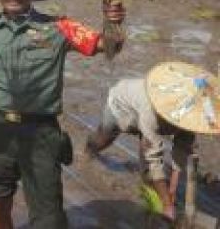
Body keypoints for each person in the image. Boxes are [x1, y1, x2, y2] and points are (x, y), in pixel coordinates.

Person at [0, 0, 125, 229]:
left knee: (49, 218)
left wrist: (113, 23)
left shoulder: (59, 27)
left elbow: (107, 46)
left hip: (41, 133)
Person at [85, 73, 199, 222]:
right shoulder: (152, 110)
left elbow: (181, 150)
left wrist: (172, 190)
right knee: (103, 140)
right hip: (121, 106)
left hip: (145, 118)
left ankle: (150, 186)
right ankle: (89, 150)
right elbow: (154, 158)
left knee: (147, 156)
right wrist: (167, 205)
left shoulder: (190, 117)